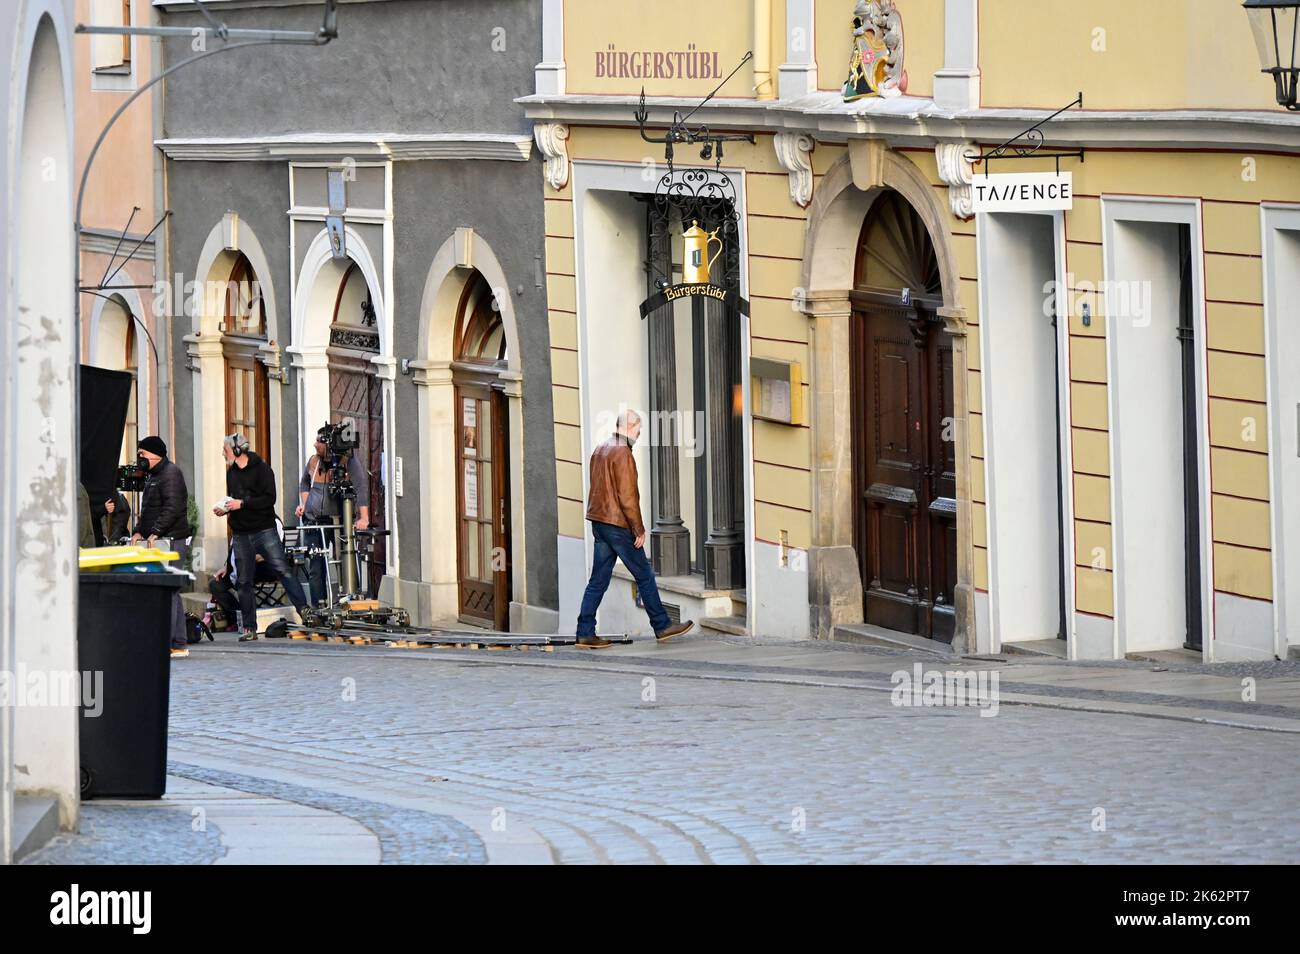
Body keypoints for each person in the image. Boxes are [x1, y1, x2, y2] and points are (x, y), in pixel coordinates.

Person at [575, 409, 694, 648]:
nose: (639, 435)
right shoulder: (622, 453)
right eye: (638, 430)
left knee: (598, 580)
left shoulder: (601, 448)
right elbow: (628, 497)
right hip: (618, 525)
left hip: (599, 522)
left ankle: (585, 632)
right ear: (631, 427)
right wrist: (638, 529)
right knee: (645, 574)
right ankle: (662, 626)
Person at [213, 434, 311, 642]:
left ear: (238, 450)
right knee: (243, 581)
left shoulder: (262, 469)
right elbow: (234, 500)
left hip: (264, 531)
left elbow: (269, 499)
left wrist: (243, 504)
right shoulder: (231, 474)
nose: (223, 453)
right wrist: (226, 509)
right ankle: (249, 628)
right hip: (240, 534)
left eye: (225, 449)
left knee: (283, 570)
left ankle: (305, 612)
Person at [129, 436, 193, 658]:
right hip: (158, 540)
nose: (140, 459)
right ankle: (168, 641)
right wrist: (138, 530)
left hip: (171, 540)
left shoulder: (170, 473)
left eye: (143, 454)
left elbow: (173, 507)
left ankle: (178, 643)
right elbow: (147, 510)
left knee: (170, 590)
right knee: (162, 591)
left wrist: (156, 531)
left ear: (156, 454)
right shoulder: (153, 477)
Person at [295, 424, 370, 607]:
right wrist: (304, 505)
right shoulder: (314, 461)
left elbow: (360, 489)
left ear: (328, 444)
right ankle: (318, 606)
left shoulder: (348, 462)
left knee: (344, 561)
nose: (314, 444)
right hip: (313, 521)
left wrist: (364, 518)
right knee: (315, 567)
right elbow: (304, 484)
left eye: (318, 441)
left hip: (337, 521)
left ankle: (348, 601)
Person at [206, 521, 283, 632]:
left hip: (263, 567)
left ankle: (248, 622)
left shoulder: (273, 522)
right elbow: (234, 551)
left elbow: (275, 552)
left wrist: (249, 558)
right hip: (238, 567)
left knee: (243, 579)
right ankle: (237, 617)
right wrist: (226, 567)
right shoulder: (244, 523)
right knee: (215, 584)